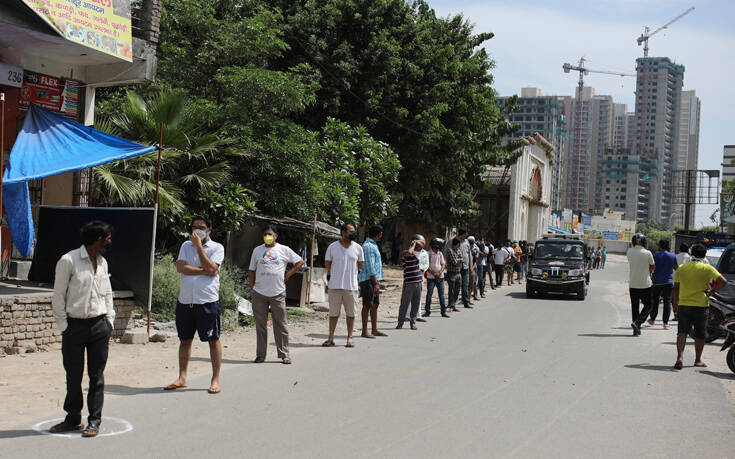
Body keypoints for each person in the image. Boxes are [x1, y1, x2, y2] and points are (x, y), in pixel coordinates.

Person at [50, 221, 115, 437]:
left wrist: (109, 320)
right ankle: (72, 418)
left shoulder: (103, 262)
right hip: (74, 326)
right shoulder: (68, 261)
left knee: (96, 376)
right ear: (98, 239)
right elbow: (58, 295)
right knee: (73, 375)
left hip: (99, 326)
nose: (109, 241)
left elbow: (107, 293)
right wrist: (64, 326)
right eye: (107, 237)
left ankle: (94, 421)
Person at [166, 215, 225, 394]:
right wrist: (204, 270)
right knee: (185, 341)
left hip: (206, 301)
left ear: (209, 230)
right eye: (194, 227)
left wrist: (199, 247)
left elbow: (214, 269)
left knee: (213, 341)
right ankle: (182, 377)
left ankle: (215, 380)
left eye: (201, 227)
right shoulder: (185, 246)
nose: (196, 230)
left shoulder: (217, 247)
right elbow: (181, 268)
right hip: (185, 301)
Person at [248, 225, 304, 364]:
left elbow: (300, 262)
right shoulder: (257, 250)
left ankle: (284, 354)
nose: (267, 236)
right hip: (259, 293)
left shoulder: (283, 250)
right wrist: (252, 287)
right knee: (260, 326)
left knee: (281, 325)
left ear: (276, 236)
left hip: (277, 293)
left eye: (270, 234)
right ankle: (261, 355)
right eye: (265, 234)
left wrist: (288, 274)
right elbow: (251, 271)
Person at [673, 243, 727, 369]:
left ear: (691, 254)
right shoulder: (707, 268)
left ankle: (679, 358)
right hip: (701, 305)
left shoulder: (682, 268)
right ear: (704, 255)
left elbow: (676, 288)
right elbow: (723, 281)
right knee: (700, 334)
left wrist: (675, 304)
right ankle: (697, 360)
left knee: (682, 332)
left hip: (684, 304)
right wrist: (712, 291)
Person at [323, 223, 364, 348]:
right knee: (333, 313)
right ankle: (331, 338)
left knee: (351, 313)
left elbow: (360, 264)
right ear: (343, 232)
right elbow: (327, 264)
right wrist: (336, 274)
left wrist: (352, 275)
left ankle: (349, 338)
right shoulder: (332, 247)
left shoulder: (358, 248)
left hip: (351, 286)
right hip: (335, 286)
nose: (353, 233)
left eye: (353, 231)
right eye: (351, 231)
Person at [358, 224, 387, 338]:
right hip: (368, 280)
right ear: (379, 234)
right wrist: (375, 283)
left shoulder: (373, 245)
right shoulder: (369, 246)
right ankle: (364, 331)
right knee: (367, 305)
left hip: (373, 279)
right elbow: (370, 266)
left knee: (375, 304)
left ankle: (374, 329)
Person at [628, 233, 655, 336]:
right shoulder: (648, 253)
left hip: (633, 283)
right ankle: (638, 323)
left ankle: (636, 330)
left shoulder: (629, 252)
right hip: (645, 284)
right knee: (649, 305)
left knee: (635, 307)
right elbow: (652, 266)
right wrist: (649, 272)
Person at [648, 239, 678, 330]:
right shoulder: (672, 256)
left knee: (655, 301)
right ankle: (665, 323)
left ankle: (652, 319)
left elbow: (651, 267)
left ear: (660, 246)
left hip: (656, 282)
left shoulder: (655, 255)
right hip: (668, 282)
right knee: (667, 302)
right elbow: (676, 268)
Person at [397, 235, 426, 330]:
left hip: (418, 282)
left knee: (416, 304)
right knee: (405, 304)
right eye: (416, 245)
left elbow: (423, 244)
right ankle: (400, 323)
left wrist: (416, 241)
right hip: (409, 283)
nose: (419, 247)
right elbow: (409, 252)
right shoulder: (406, 253)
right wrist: (413, 245)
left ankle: (412, 322)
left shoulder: (418, 253)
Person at [423, 238, 448, 317]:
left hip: (440, 277)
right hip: (431, 278)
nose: (438, 249)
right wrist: (434, 274)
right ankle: (427, 311)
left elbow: (443, 264)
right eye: (437, 247)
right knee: (429, 294)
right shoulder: (428, 254)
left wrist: (440, 272)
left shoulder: (440, 254)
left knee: (442, 295)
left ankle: (443, 312)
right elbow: (426, 266)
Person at [445, 237, 463, 313]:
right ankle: (451, 305)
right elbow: (454, 262)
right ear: (456, 244)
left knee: (457, 290)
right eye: (459, 244)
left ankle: (453, 305)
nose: (459, 245)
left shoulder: (458, 250)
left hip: (458, 272)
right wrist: (459, 260)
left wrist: (458, 260)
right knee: (451, 290)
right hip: (451, 273)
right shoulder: (449, 251)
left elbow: (462, 260)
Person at [457, 229, 473, 308]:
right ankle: (452, 304)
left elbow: (469, 254)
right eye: (465, 234)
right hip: (456, 268)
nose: (466, 236)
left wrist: (471, 266)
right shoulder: (454, 240)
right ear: (461, 234)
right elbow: (447, 251)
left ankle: (466, 302)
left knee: (465, 285)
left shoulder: (466, 242)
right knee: (456, 286)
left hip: (466, 267)